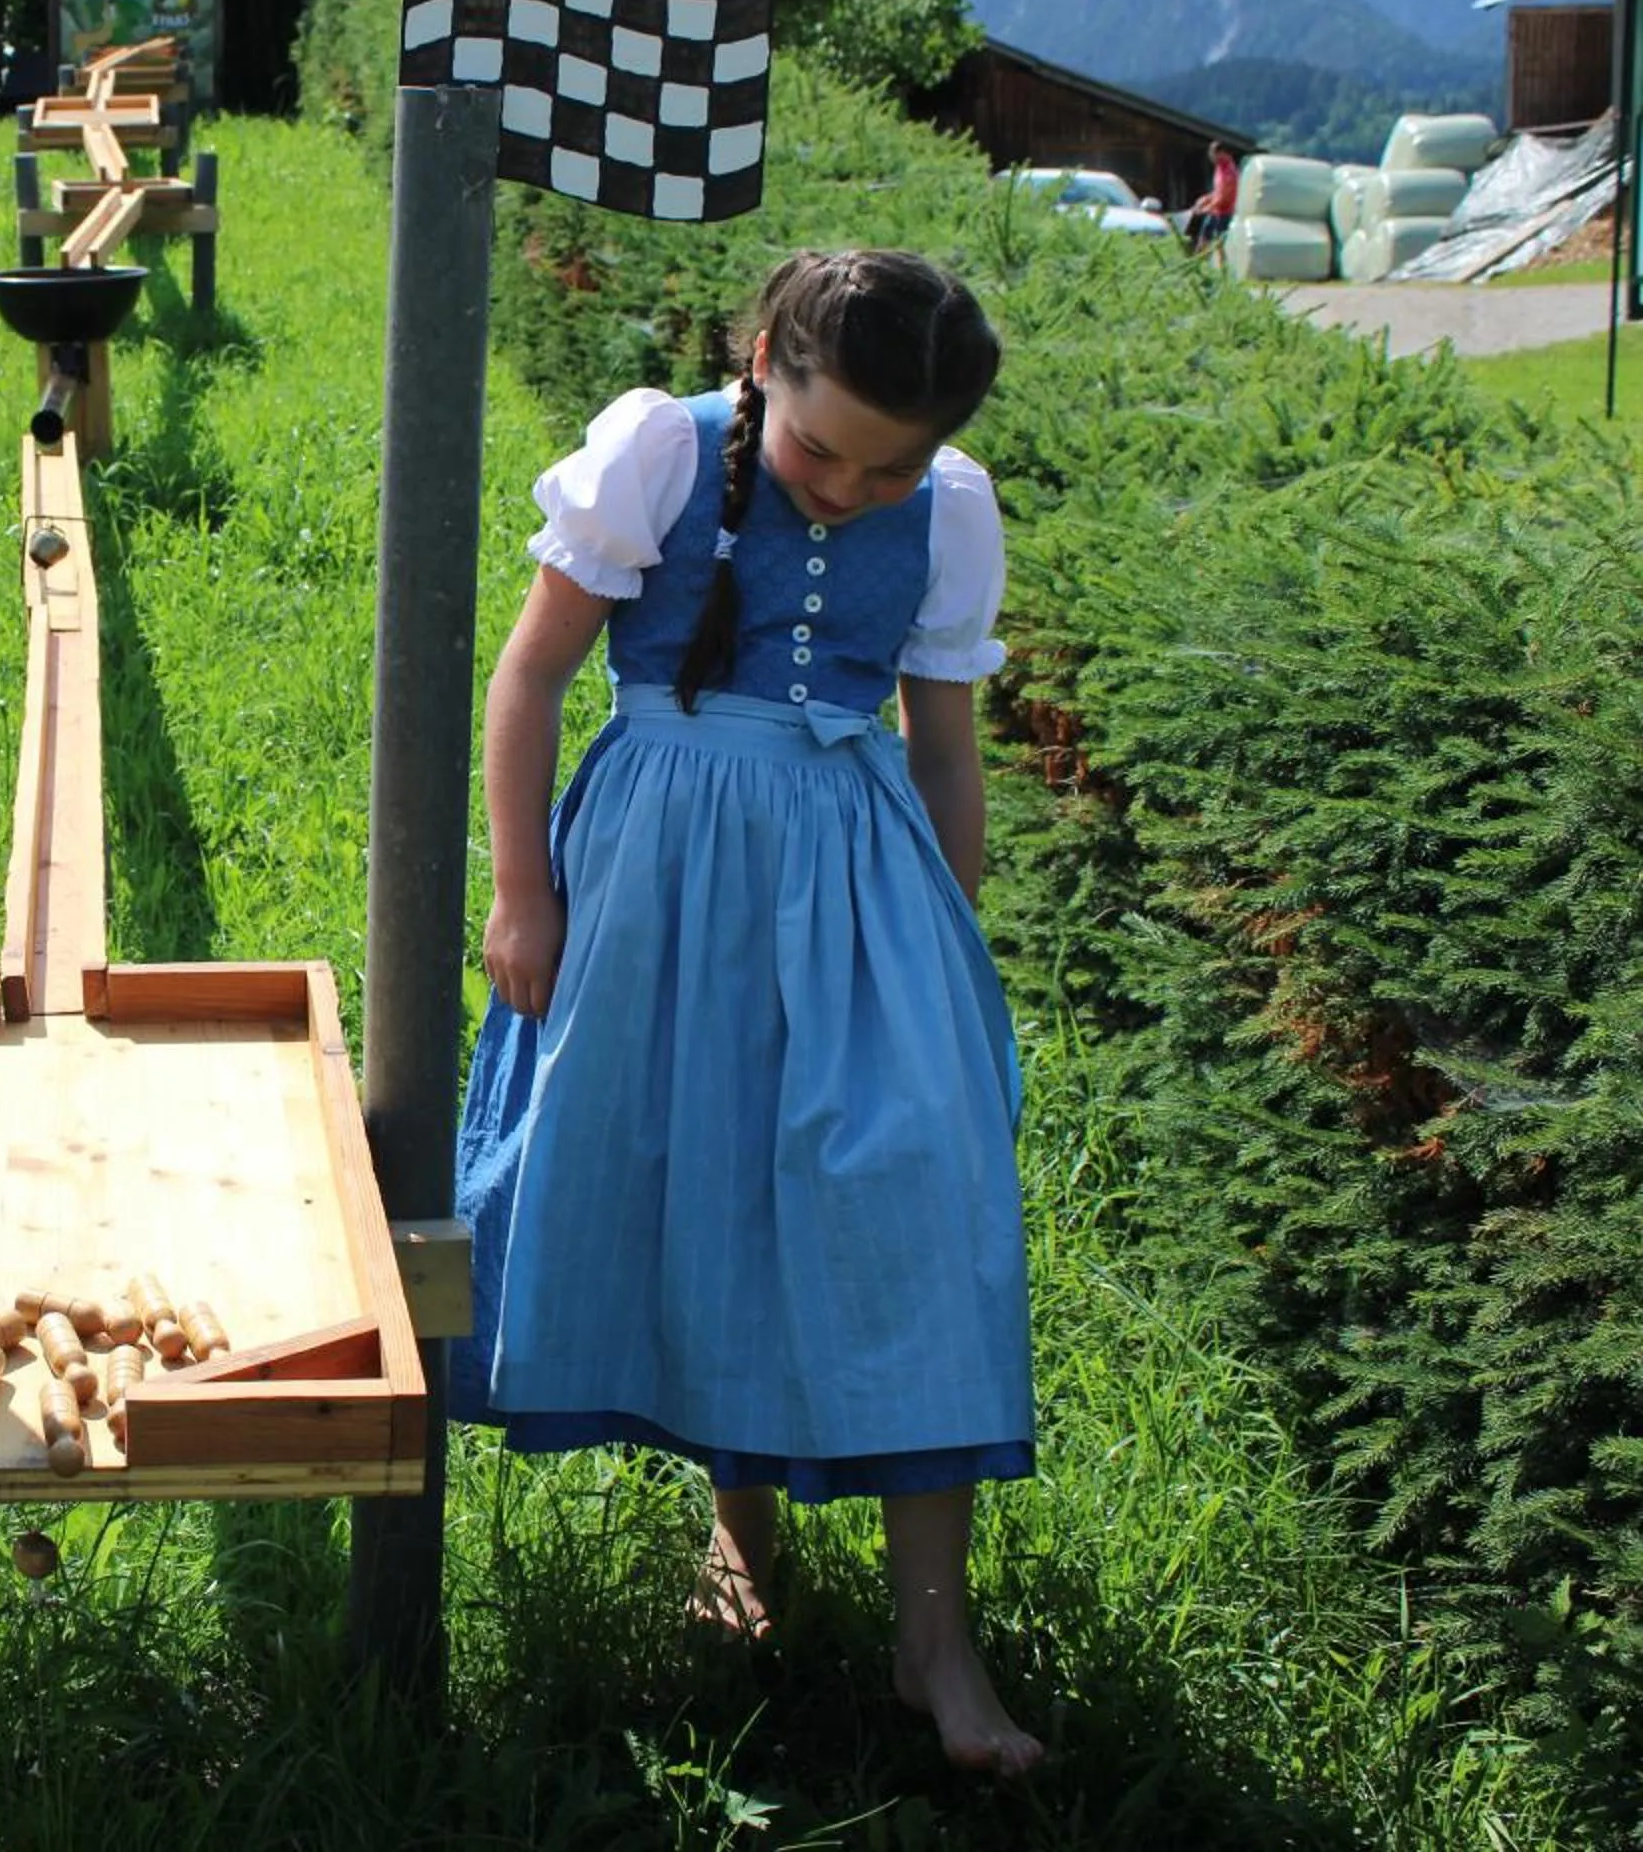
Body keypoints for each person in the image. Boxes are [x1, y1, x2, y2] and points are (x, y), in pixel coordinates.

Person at [453, 248, 1042, 1778]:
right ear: (765, 357)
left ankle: (935, 1639)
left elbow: (947, 754)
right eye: (820, 447)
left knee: (916, 1204)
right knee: (710, 1184)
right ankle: (746, 1542)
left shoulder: (955, 510)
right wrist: (526, 894)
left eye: (886, 465)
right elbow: (529, 679)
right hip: (657, 869)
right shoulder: (659, 450)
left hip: (859, 885)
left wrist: (946, 944)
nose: (848, 488)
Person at [1184, 139, 1239, 251]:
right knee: (1203, 239)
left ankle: (1220, 267)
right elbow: (1218, 191)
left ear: (1222, 153)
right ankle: (1199, 262)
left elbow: (1224, 197)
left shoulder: (1230, 172)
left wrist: (1206, 208)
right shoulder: (1219, 168)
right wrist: (1205, 199)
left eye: (1213, 154)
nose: (1211, 157)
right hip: (1215, 212)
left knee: (1219, 244)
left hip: (1225, 214)